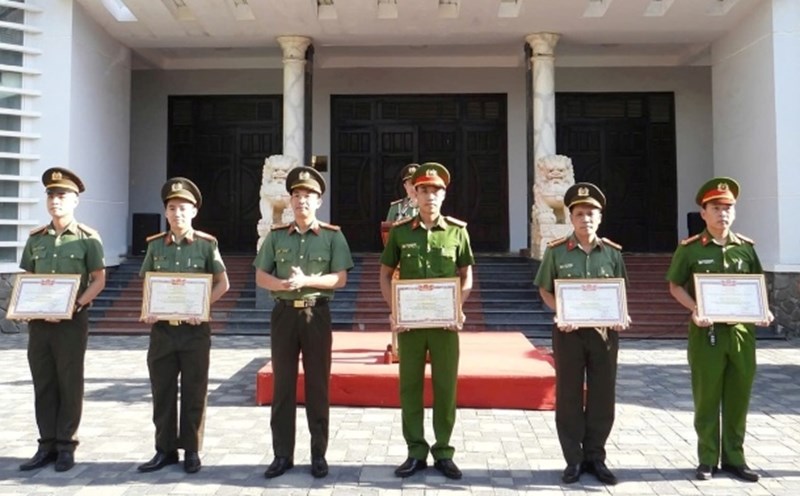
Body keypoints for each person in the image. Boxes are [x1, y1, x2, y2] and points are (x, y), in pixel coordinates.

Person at [666, 177, 773, 483]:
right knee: (707, 397)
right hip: (707, 334)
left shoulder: (746, 249)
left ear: (734, 213)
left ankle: (736, 458)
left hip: (741, 334)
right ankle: (707, 459)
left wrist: (763, 310)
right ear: (703, 213)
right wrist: (694, 309)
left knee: (739, 397)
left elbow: (756, 286)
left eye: (728, 208)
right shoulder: (689, 249)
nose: (722, 213)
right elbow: (675, 286)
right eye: (715, 208)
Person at [255, 166, 354, 479]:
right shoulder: (276, 237)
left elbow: (340, 279)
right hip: (284, 314)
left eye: (308, 196)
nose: (302, 201)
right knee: (282, 386)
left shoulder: (332, 236)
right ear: (290, 200)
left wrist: (309, 280)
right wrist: (282, 285)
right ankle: (282, 454)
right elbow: (260, 275)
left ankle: (318, 454)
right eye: (296, 195)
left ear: (319, 201)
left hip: (316, 313)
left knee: (317, 386)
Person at [379, 162, 474, 480]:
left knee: (446, 387)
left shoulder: (457, 232)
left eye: (435, 190)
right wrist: (395, 309)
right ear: (414, 194)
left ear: (444, 195)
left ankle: (444, 451)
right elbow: (385, 273)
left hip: (446, 326)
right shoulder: (401, 232)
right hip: (411, 326)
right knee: (410, 387)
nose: (429, 195)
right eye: (423, 190)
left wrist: (458, 307)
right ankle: (415, 451)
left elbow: (466, 275)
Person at [533, 182, 629, 485]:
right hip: (568, 332)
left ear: (599, 218)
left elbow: (619, 290)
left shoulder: (612, 253)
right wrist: (559, 311)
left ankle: (596, 456)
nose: (585, 218)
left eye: (590, 213)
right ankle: (573, 460)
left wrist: (620, 314)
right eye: (579, 213)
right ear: (570, 218)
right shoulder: (557, 251)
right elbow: (545, 289)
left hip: (604, 334)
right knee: (569, 395)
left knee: (603, 395)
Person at [137, 177, 230, 475]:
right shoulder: (155, 246)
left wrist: (202, 308)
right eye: (172, 207)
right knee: (162, 391)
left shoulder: (206, 245)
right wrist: (149, 309)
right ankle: (164, 449)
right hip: (162, 331)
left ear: (194, 212)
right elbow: (148, 283)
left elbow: (222, 284)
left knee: (194, 390)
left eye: (183, 208)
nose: (177, 213)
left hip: (194, 331)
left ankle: (191, 450)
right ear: (165, 213)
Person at [18, 167, 106, 472]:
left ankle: (67, 444)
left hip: (72, 322)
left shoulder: (87, 238)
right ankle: (46, 444)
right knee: (43, 382)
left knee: (69, 382)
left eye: (62, 196)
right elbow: (28, 278)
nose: (56, 201)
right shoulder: (36, 239)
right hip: (39, 323)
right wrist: (28, 305)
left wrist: (77, 305)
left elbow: (98, 279)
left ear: (75, 201)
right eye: (51, 195)